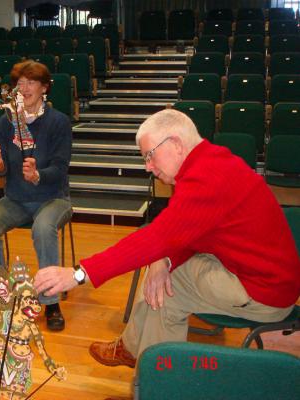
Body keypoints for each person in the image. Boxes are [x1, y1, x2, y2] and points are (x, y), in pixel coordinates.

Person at [34, 109, 300, 365]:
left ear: (176, 143)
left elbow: (159, 236)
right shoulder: (208, 162)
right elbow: (188, 235)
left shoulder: (208, 177)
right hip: (254, 274)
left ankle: (152, 374)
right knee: (161, 274)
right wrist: (163, 259)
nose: (148, 167)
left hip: (265, 292)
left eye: (150, 155)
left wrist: (78, 274)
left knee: (167, 290)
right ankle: (137, 353)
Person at [0, 60, 72, 331]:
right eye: (20, 84)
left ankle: (50, 302)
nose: (24, 88)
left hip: (53, 197)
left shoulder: (58, 122)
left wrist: (39, 175)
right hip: (16, 198)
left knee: (42, 228)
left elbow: (61, 169)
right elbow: (3, 171)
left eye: (31, 82)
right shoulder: (6, 122)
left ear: (44, 88)